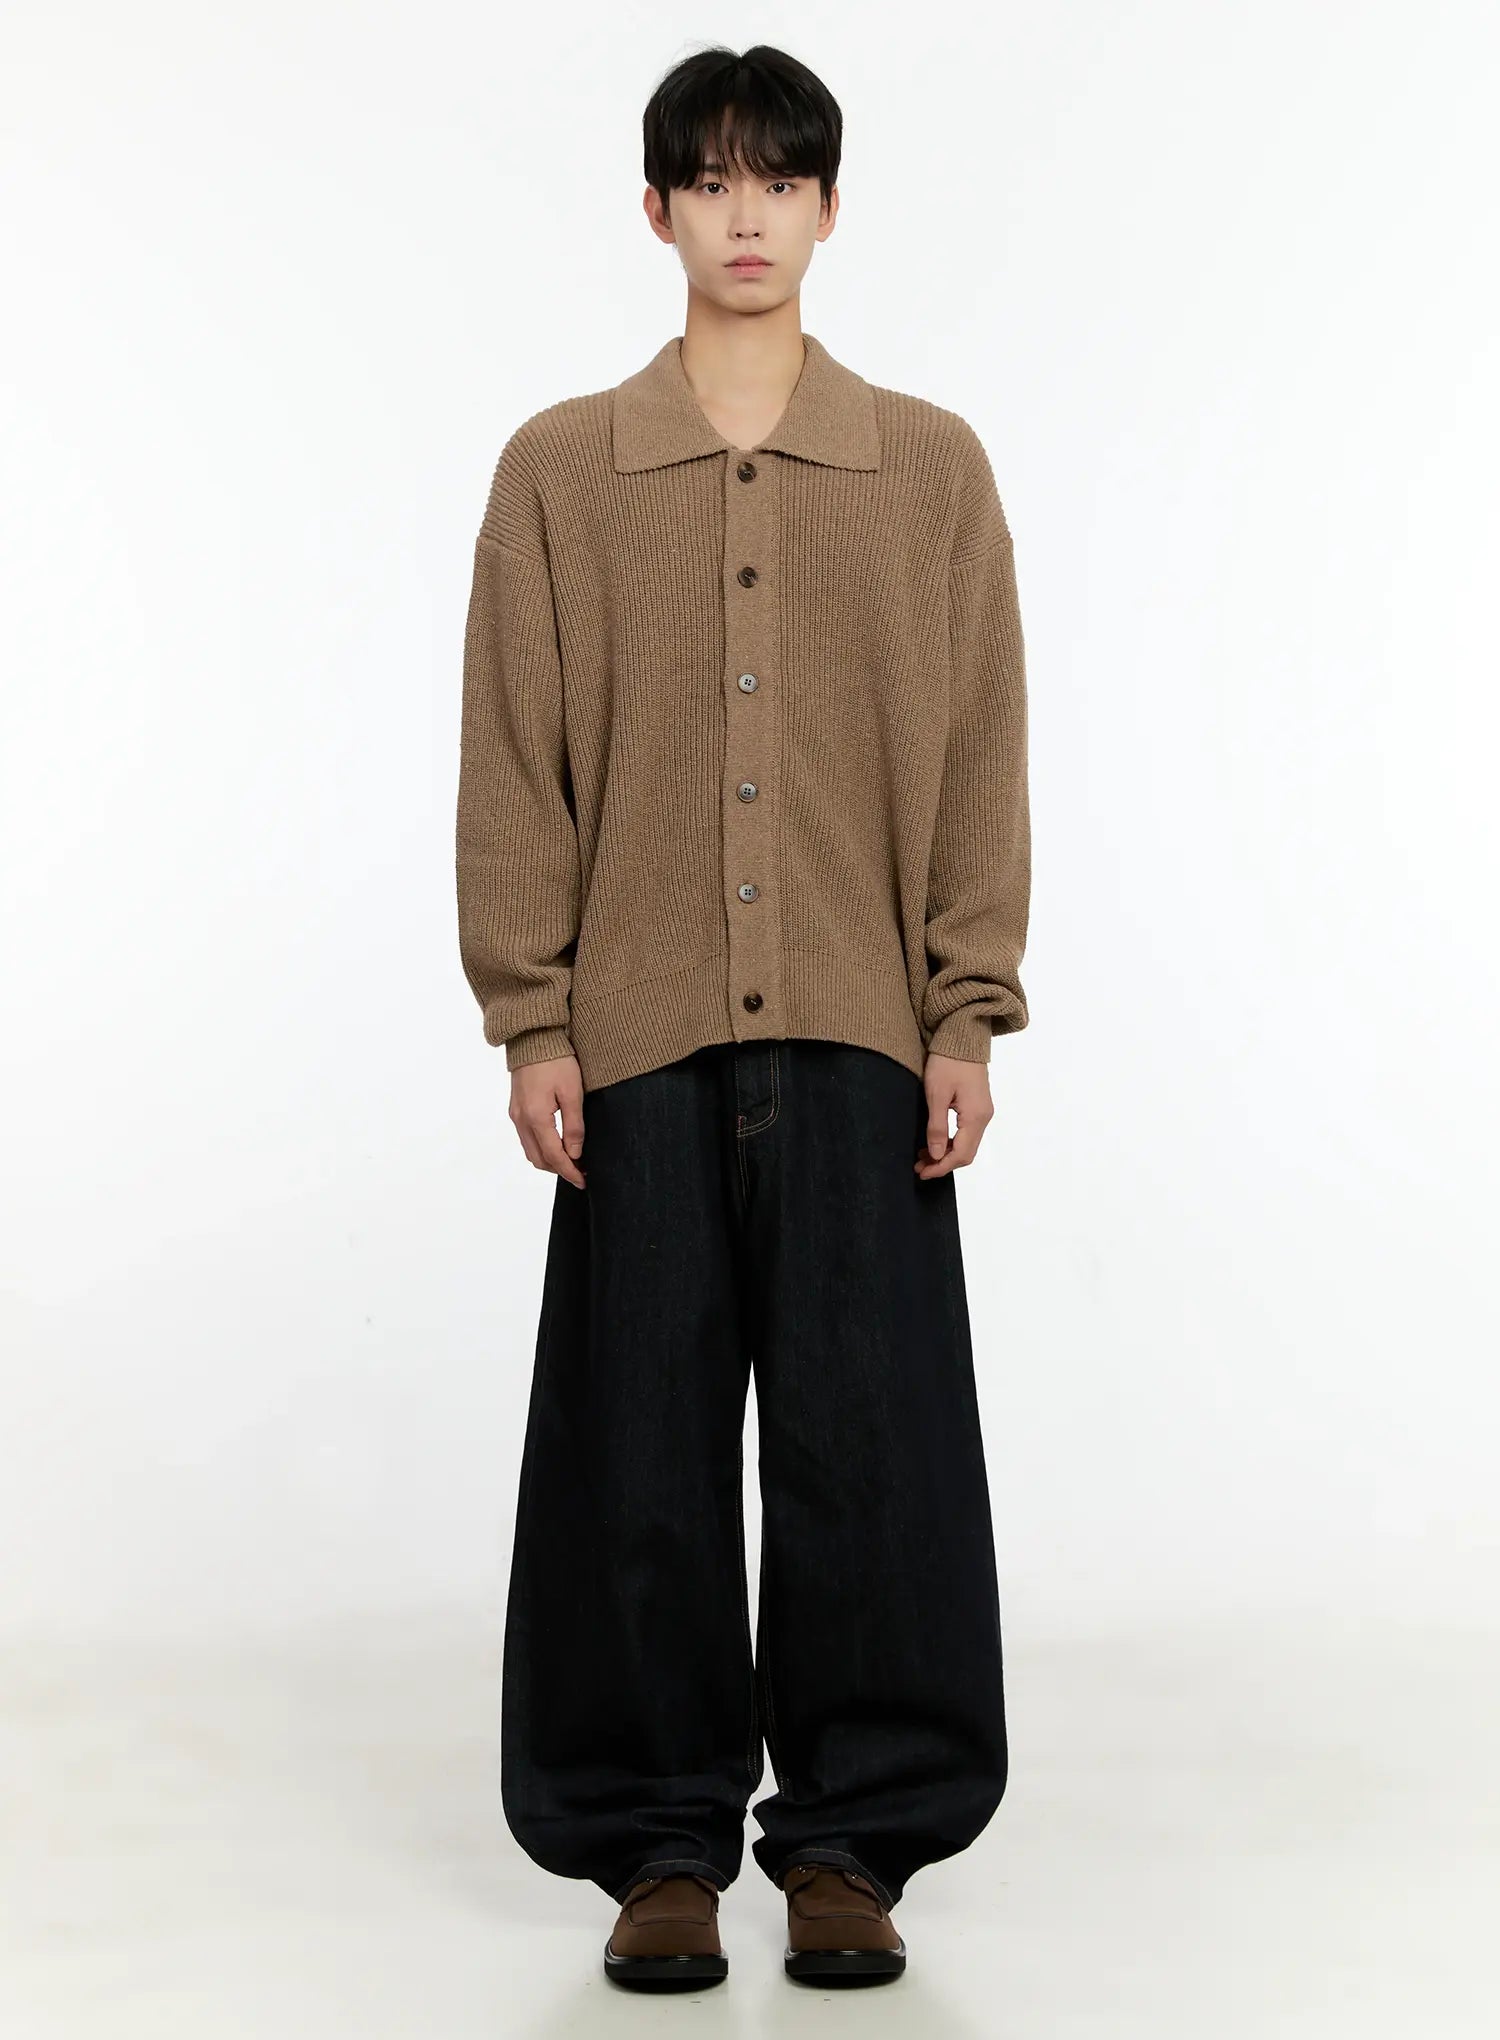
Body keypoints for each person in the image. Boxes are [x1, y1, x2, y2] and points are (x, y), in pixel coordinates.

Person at [455, 41, 1031, 1990]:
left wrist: (964, 1011)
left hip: (864, 1035)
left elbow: (979, 755)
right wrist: (536, 1020)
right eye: (709, 182)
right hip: (636, 1038)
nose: (746, 215)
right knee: (637, 1453)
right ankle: (656, 1847)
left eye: (779, 179)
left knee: (872, 1451)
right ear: (656, 212)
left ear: (830, 207)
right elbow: (515, 761)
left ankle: (853, 1839)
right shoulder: (560, 472)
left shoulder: (930, 470)